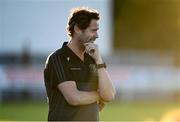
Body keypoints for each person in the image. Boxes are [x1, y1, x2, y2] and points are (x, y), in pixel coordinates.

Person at [44, 7, 115, 121]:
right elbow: (74, 98)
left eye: (97, 30)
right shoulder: (58, 58)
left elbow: (109, 95)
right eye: (93, 30)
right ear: (77, 29)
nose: (97, 35)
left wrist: (99, 60)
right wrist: (98, 95)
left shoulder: (94, 58)